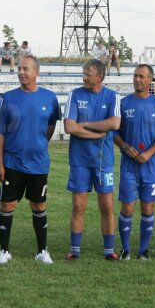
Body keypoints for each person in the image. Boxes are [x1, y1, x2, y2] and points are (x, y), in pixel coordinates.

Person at [0, 56, 60, 265]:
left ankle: (42, 251)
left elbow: (50, 127)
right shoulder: (8, 98)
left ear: (36, 72)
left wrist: (38, 144)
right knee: (7, 204)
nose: (21, 72)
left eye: (26, 69)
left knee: (39, 205)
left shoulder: (50, 98)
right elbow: (0, 133)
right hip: (12, 162)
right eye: (19, 69)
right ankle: (3, 252)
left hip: (38, 163)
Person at [63, 59, 121, 260]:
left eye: (89, 74)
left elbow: (114, 123)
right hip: (80, 160)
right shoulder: (75, 95)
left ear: (100, 77)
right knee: (79, 205)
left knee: (106, 205)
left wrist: (85, 124)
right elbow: (69, 127)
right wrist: (96, 134)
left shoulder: (112, 97)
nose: (84, 77)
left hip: (104, 161)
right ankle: (75, 249)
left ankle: (109, 250)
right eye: (84, 73)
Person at [112, 64, 155, 260]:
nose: (137, 79)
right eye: (135, 76)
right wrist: (126, 147)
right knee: (127, 207)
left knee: (147, 207)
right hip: (129, 164)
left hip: (150, 165)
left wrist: (149, 153)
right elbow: (115, 133)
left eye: (142, 76)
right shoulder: (123, 103)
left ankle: (143, 251)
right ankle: (126, 249)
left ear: (150, 80)